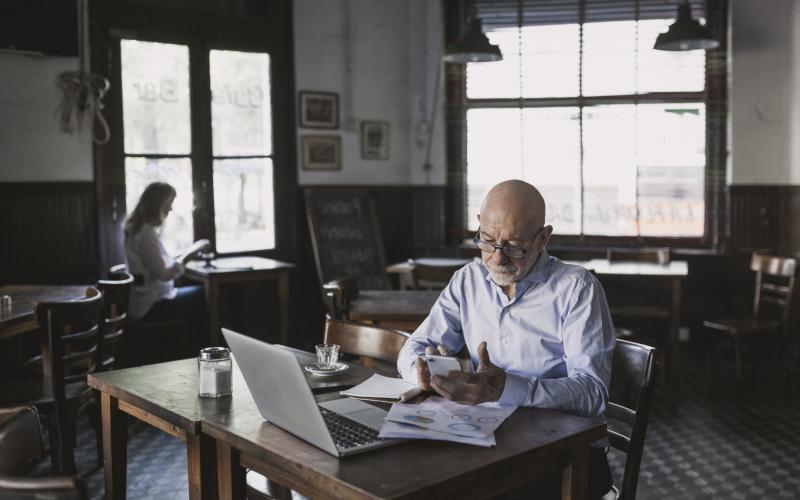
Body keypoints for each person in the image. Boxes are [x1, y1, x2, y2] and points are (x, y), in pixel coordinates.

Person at [397, 179, 616, 499]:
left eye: (513, 246)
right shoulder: (467, 281)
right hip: (485, 440)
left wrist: (506, 388)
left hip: (564, 456)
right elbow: (414, 347)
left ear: (543, 238)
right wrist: (421, 372)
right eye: (487, 241)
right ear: (479, 227)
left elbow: (593, 393)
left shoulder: (577, 289)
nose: (497, 258)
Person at [124, 181, 209, 322]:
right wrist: (190, 254)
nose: (171, 209)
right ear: (157, 205)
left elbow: (156, 264)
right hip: (152, 305)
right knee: (205, 294)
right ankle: (210, 342)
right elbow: (163, 275)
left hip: (142, 303)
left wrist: (183, 255)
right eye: (169, 203)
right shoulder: (146, 233)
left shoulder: (136, 230)